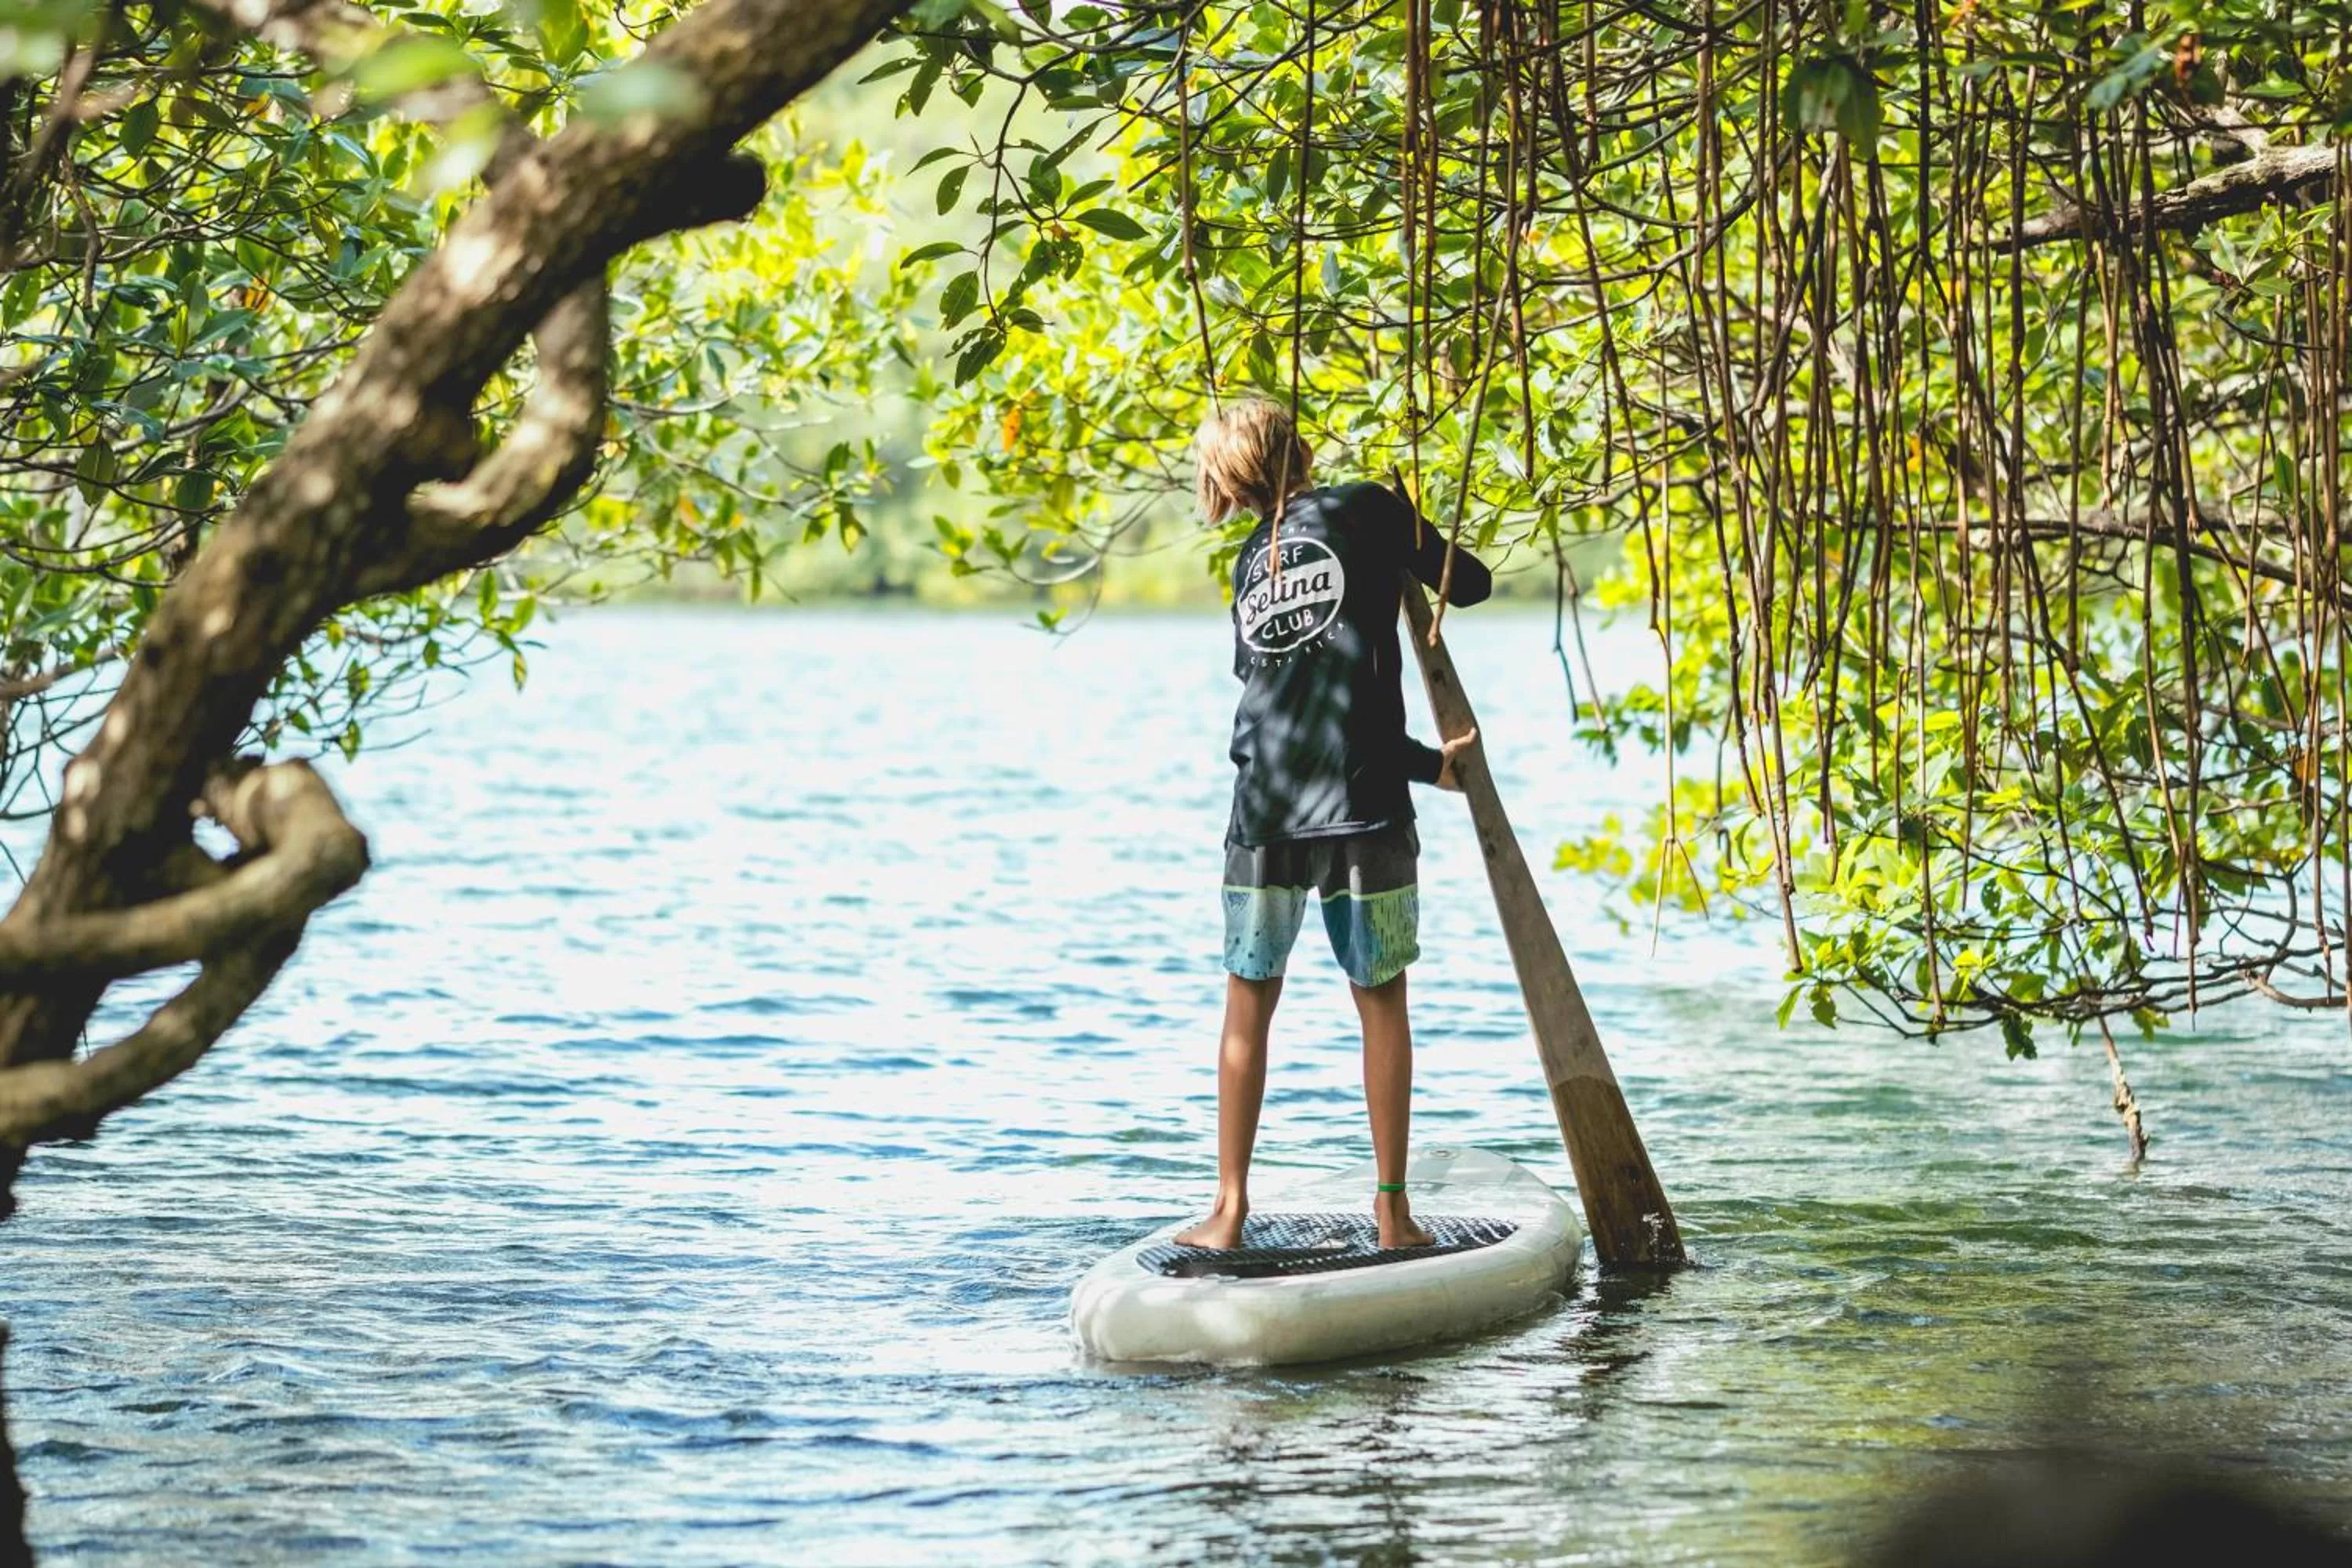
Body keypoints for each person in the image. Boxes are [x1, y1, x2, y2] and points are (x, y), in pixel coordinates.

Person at [1177, 398, 1490, 1252]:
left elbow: (1285, 696)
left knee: (1248, 1004)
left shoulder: (1252, 558)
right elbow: (1470, 584)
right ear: (1304, 448)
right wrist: (1411, 518)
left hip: (1262, 809)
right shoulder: (1366, 508)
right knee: (1380, 1001)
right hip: (1363, 805)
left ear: (1231, 484)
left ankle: (1228, 1212)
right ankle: (1392, 1214)